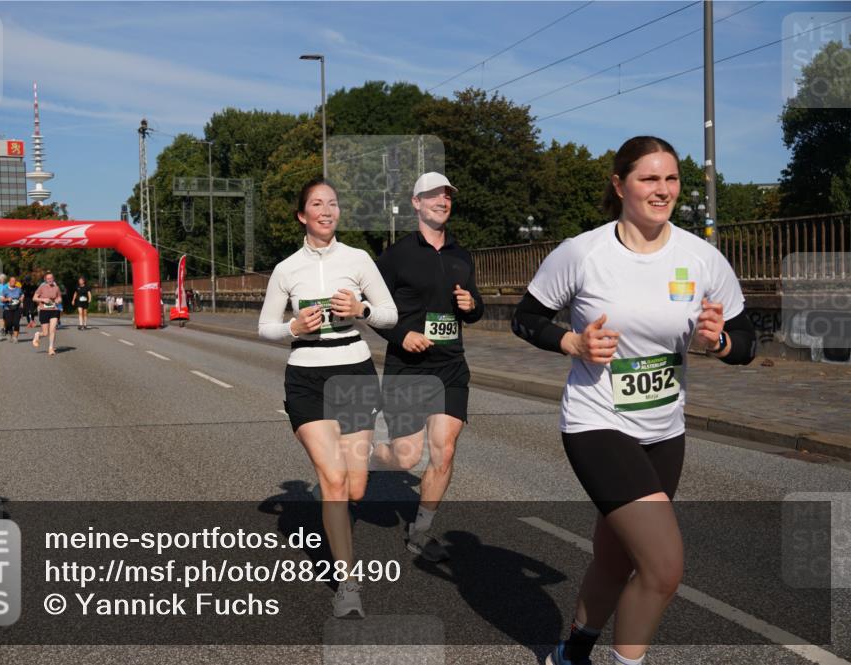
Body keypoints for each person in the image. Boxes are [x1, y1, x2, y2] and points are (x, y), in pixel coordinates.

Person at [508, 137, 756, 665]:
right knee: (663, 567)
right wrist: (571, 341)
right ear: (620, 185)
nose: (662, 190)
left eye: (671, 179)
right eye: (649, 179)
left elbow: (746, 341)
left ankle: (570, 652)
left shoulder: (701, 257)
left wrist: (721, 343)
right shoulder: (582, 253)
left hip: (665, 429)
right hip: (597, 421)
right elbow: (525, 319)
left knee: (617, 556)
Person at [258, 178, 397, 618]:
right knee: (335, 483)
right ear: (302, 215)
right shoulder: (286, 269)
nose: (326, 210)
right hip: (306, 380)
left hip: (354, 373)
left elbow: (391, 315)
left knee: (354, 485)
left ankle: (338, 481)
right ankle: (348, 586)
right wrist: (294, 329)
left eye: (332, 203)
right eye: (316, 204)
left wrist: (362, 311)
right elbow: (265, 327)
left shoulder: (358, 260)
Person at [369, 172, 484, 563]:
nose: (442, 201)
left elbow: (474, 306)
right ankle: (360, 458)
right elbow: (372, 310)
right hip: (408, 366)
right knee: (404, 456)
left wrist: (473, 306)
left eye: (447, 195)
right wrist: (401, 335)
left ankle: (420, 531)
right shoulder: (397, 255)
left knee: (445, 450)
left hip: (450, 364)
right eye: (433, 195)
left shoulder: (461, 255)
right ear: (416, 203)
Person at [32, 272, 62, 356]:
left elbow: (59, 297)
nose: (50, 280)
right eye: (48, 279)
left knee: (53, 330)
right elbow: (34, 298)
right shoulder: (42, 287)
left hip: (54, 310)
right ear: (45, 279)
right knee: (45, 333)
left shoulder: (56, 288)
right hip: (44, 310)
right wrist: (43, 299)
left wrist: (58, 300)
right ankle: (37, 334)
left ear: (53, 279)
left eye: (51, 278)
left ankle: (51, 348)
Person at [1, 276, 23, 343]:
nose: (13, 282)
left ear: (16, 282)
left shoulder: (18, 289)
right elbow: (2, 299)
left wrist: (21, 298)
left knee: (16, 323)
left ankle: (15, 337)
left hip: (17, 308)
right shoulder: (5, 290)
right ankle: (9, 332)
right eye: (12, 281)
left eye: (14, 281)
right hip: (8, 309)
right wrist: (7, 299)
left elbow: (22, 295)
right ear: (9, 282)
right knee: (8, 323)